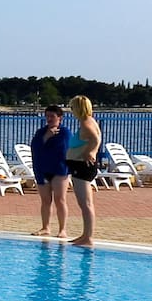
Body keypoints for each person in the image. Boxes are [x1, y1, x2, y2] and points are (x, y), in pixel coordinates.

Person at [63, 96, 102, 247]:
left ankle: (88, 237)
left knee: (85, 204)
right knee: (85, 203)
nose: (71, 111)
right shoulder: (88, 121)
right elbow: (94, 139)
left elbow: (95, 139)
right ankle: (85, 235)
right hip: (80, 166)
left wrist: (91, 152)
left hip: (82, 167)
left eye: (72, 107)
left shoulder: (86, 123)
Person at [29, 106, 72, 238]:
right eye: (47, 116)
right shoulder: (41, 132)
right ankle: (45, 227)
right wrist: (47, 136)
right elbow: (35, 147)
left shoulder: (64, 132)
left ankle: (62, 229)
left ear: (60, 118)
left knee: (60, 199)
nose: (49, 119)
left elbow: (65, 149)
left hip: (59, 170)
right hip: (42, 169)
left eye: (52, 116)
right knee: (45, 200)